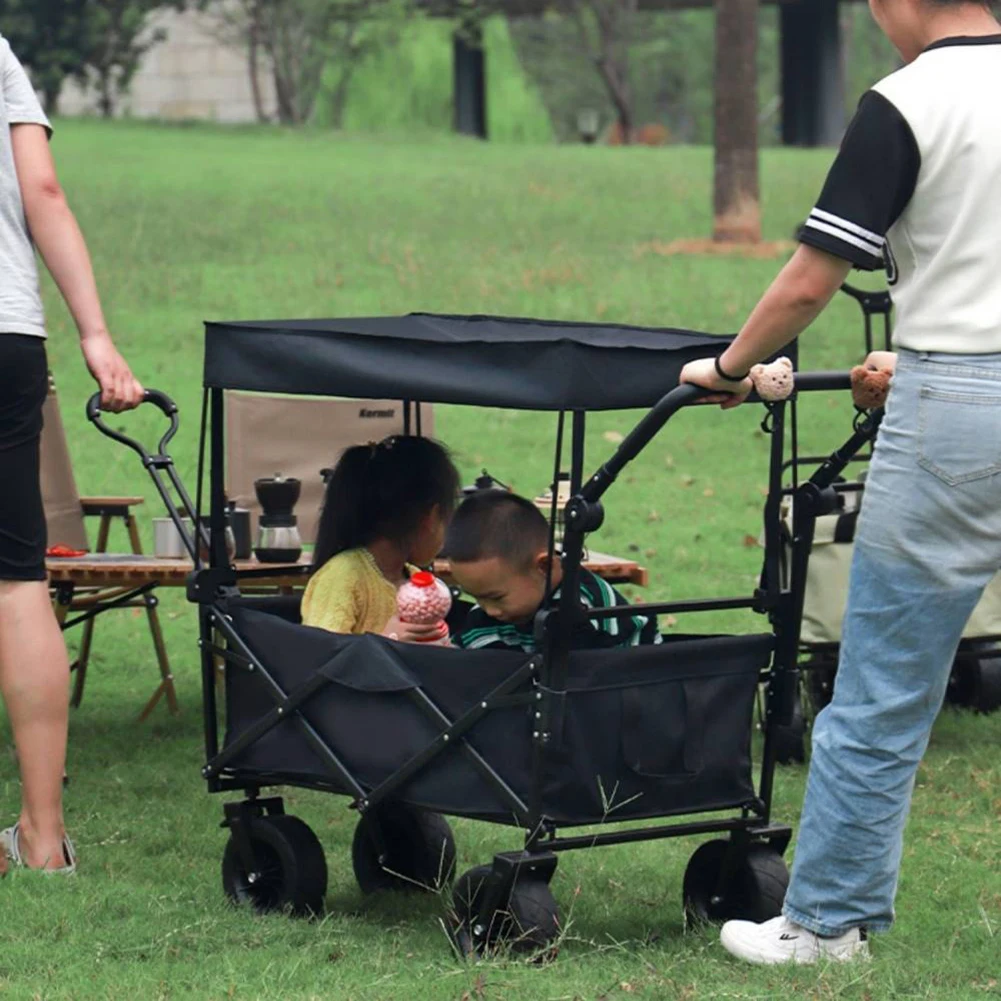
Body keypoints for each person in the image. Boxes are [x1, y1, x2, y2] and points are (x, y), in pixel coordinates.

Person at [678, 0, 1001, 966]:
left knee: (883, 685)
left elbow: (811, 282)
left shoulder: (905, 101)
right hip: (948, 371)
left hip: (952, 399)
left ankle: (825, 924)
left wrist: (729, 368)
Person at [0, 35, 143, 874]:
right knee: (19, 581)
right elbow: (41, 187)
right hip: (8, 334)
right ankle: (44, 839)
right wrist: (94, 331)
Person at [446, 490, 661, 652]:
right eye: (477, 598)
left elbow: (578, 686)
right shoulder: (486, 615)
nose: (489, 610)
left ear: (544, 567)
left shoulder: (583, 611)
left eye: (496, 597)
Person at [301, 435, 460, 640]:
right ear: (430, 517)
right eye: (446, 517)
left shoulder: (414, 580)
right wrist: (387, 641)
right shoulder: (343, 577)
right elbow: (320, 655)